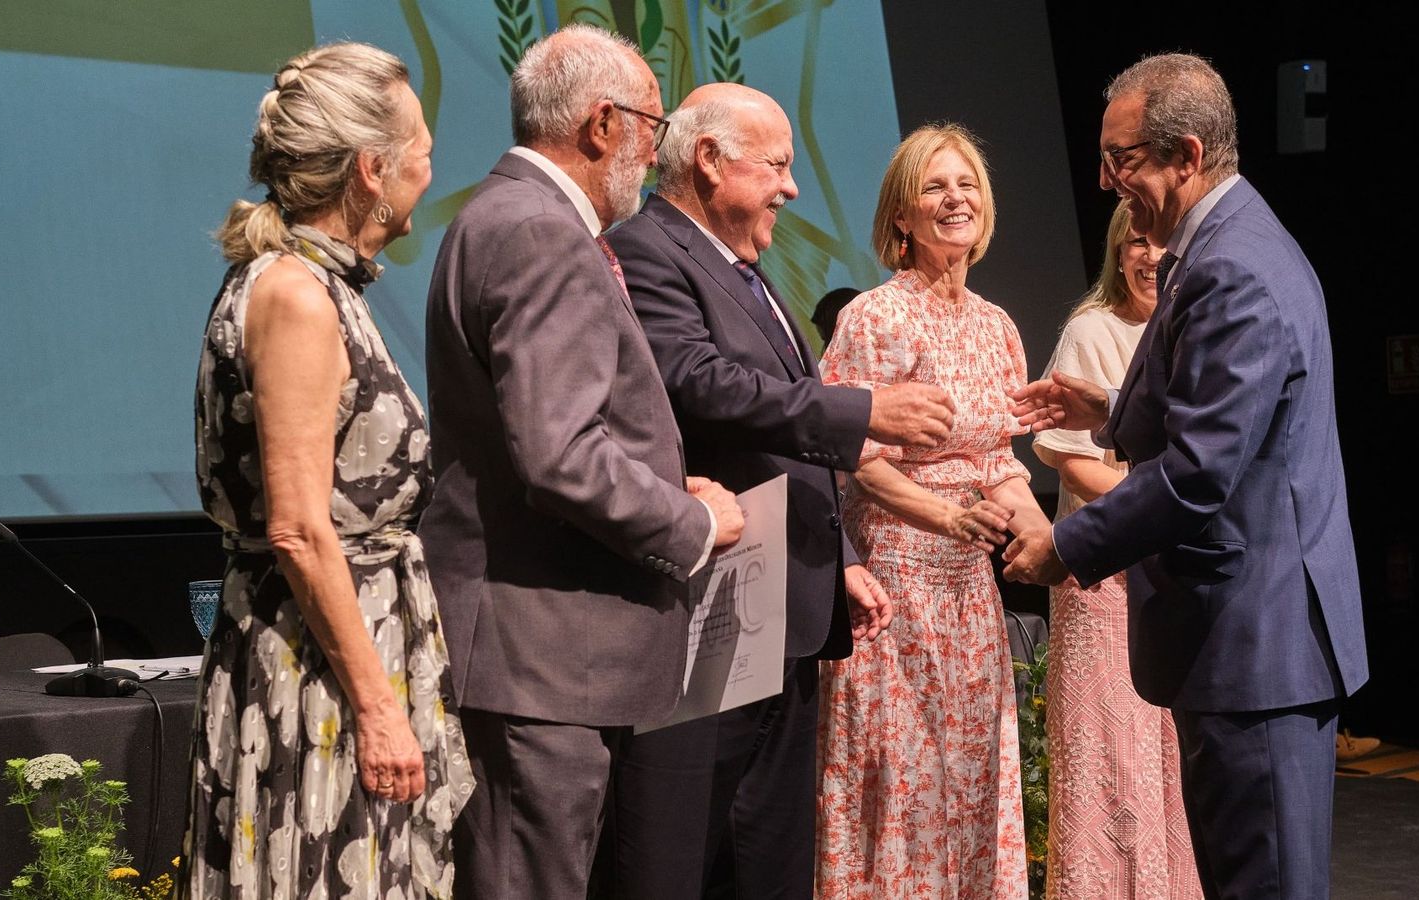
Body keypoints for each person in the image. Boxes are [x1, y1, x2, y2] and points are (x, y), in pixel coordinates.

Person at [1005, 53, 1368, 899]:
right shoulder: (1225, 243)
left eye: (1123, 158)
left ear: (1189, 154)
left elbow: (1201, 475)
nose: (1107, 180)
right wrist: (1105, 409)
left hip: (1260, 648)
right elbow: (1223, 416)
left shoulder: (1230, 267)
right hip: (1247, 641)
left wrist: (1064, 545)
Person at [604, 82, 957, 900]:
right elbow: (697, 383)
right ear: (708, 159)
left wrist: (836, 557)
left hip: (784, 609)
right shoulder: (647, 250)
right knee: (680, 851)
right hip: (705, 604)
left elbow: (783, 442)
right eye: (776, 165)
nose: (792, 187)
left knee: (768, 854)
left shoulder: (747, 269)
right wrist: (866, 409)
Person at [417, 25, 746, 900]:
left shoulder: (503, 214)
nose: (656, 145)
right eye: (652, 122)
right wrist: (694, 520)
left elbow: (549, 427)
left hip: (544, 653)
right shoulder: (536, 231)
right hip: (540, 656)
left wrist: (665, 484)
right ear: (602, 124)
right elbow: (558, 453)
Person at [182, 42, 470, 897]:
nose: (431, 159)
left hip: (353, 653)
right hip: (317, 675)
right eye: (419, 143)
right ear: (371, 171)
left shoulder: (321, 286)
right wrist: (379, 706)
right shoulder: (294, 295)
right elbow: (302, 529)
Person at [816, 122, 1039, 900]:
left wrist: (1054, 537)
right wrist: (947, 519)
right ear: (901, 218)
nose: (957, 199)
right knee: (903, 781)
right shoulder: (875, 318)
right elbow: (854, 457)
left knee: (971, 778)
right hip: (895, 588)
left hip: (970, 596)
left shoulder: (997, 325)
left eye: (968, 184)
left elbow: (999, 460)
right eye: (935, 187)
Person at [1032, 201, 1200, 899]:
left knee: (1171, 766)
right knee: (1114, 770)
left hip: (1170, 579)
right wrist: (1153, 514)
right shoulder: (1091, 329)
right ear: (1115, 252)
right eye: (1133, 244)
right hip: (1103, 584)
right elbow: (1071, 462)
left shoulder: (1185, 330)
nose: (1147, 257)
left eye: (1157, 244)